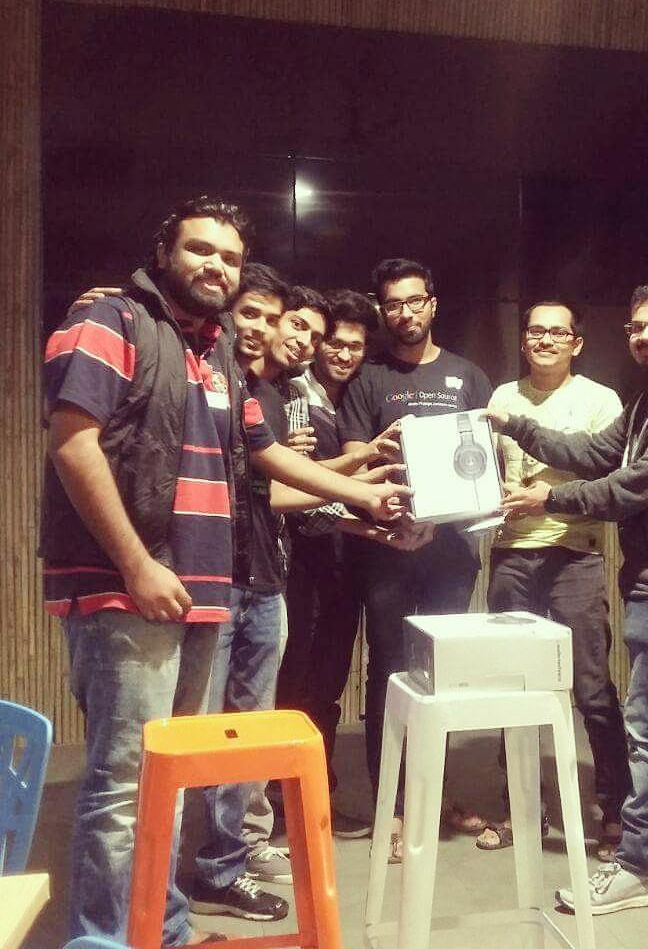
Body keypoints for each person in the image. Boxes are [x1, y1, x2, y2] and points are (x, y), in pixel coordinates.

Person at [41, 197, 409, 945]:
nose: (217, 265)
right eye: (201, 249)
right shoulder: (111, 320)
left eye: (231, 257)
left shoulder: (215, 359)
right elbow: (73, 444)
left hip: (202, 593)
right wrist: (137, 564)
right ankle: (104, 939)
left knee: (172, 779)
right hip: (131, 590)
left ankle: (164, 928)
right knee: (123, 786)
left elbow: (264, 455)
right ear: (163, 252)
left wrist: (363, 494)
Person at [488, 280, 648, 914]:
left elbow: (630, 486)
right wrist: (517, 424)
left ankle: (638, 867)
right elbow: (594, 451)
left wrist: (548, 498)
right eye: (638, 327)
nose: (647, 337)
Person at [337, 258, 492, 860]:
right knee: (391, 671)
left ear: (433, 303)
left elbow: (480, 465)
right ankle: (395, 805)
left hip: (452, 551)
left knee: (441, 672)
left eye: (414, 300)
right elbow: (357, 461)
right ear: (383, 309)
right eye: (393, 303)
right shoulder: (368, 378)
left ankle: (436, 793)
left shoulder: (467, 376)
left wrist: (439, 517)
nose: (405, 312)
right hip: (388, 549)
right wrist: (402, 518)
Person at [189, 264, 330, 919]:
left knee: (249, 731)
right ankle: (211, 867)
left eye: (279, 319)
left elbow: (274, 484)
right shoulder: (210, 381)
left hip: (266, 582)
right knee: (211, 734)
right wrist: (357, 482)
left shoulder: (268, 393)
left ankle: (230, 858)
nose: (278, 332)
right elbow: (269, 488)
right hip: (213, 583)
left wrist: (356, 477)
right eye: (260, 315)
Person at [477, 301, 630, 859]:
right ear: (524, 340)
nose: (544, 340)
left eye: (557, 332)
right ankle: (521, 809)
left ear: (576, 343)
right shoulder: (502, 397)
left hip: (575, 555)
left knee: (591, 687)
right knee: (512, 688)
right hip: (511, 554)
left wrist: (548, 495)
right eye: (535, 331)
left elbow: (605, 472)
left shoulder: (601, 401)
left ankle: (616, 808)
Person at [276, 287, 387, 838]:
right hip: (303, 563)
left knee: (327, 682)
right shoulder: (294, 394)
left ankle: (315, 798)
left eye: (354, 346)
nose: (342, 354)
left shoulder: (350, 399)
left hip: (344, 563)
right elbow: (302, 492)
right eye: (333, 343)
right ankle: (285, 805)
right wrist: (365, 500)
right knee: (296, 682)